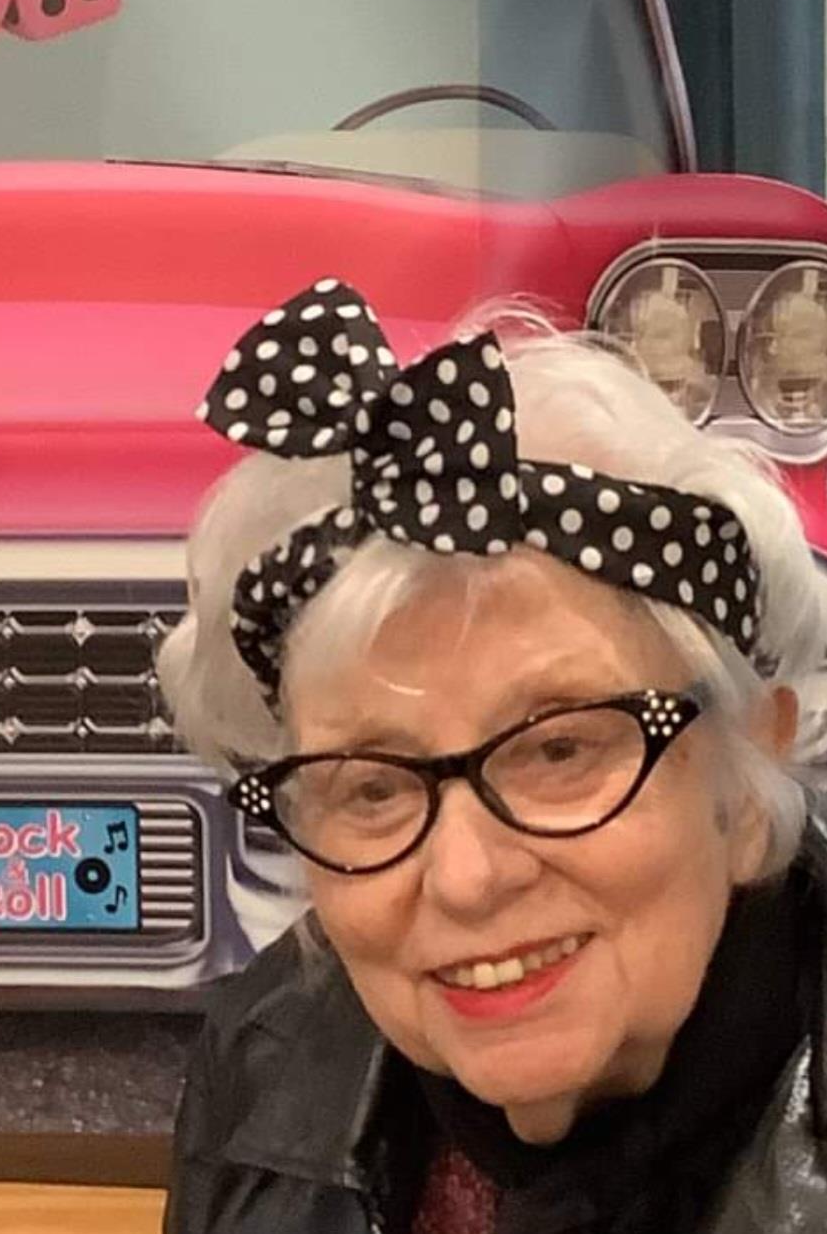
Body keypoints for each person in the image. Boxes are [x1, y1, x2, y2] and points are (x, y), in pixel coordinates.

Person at [158, 278, 827, 1234]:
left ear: (747, 780)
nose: (466, 879)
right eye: (373, 786)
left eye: (558, 749)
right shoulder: (266, 1062)